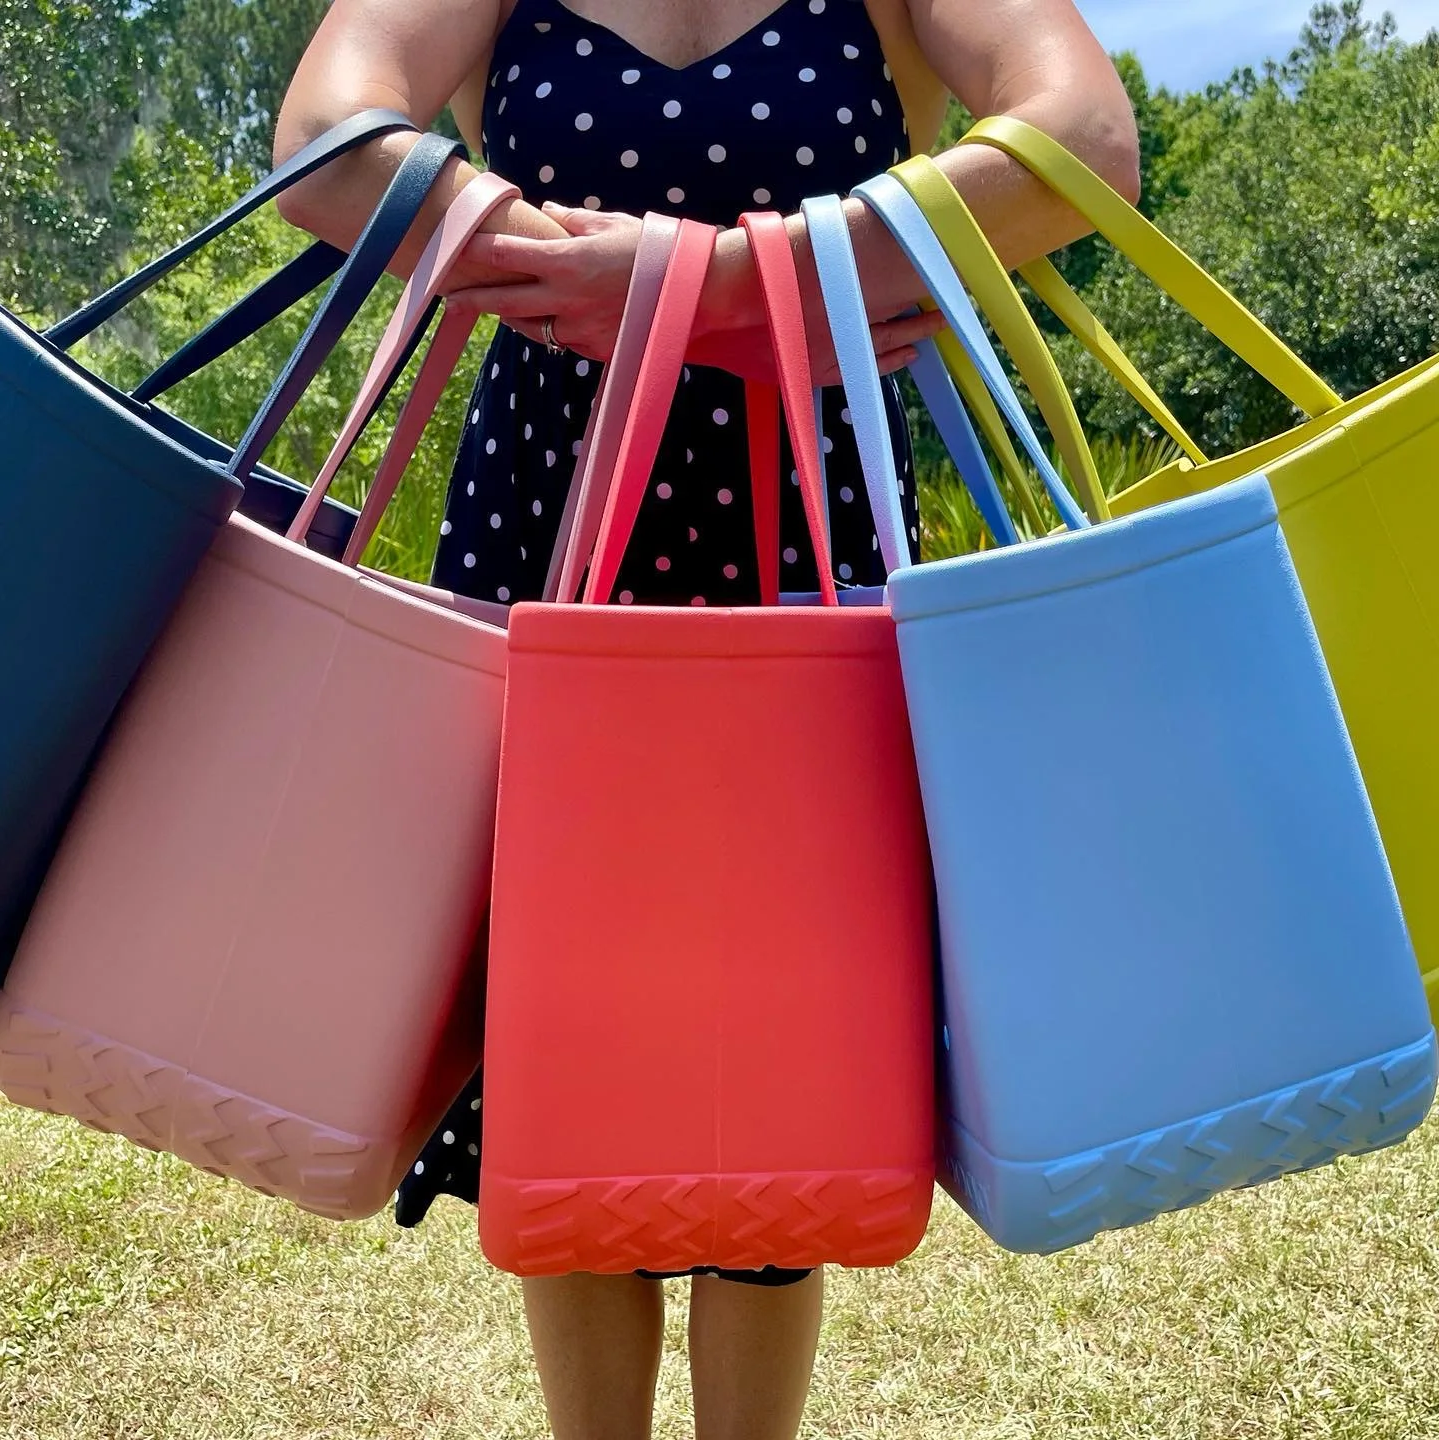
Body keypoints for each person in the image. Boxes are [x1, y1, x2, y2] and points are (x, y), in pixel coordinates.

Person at [274, 3, 1137, 1436]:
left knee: (784, 1061)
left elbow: (1084, 141)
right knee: (562, 1056)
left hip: (802, 551)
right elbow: (326, 142)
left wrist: (713, 281)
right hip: (553, 546)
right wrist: (670, 275)